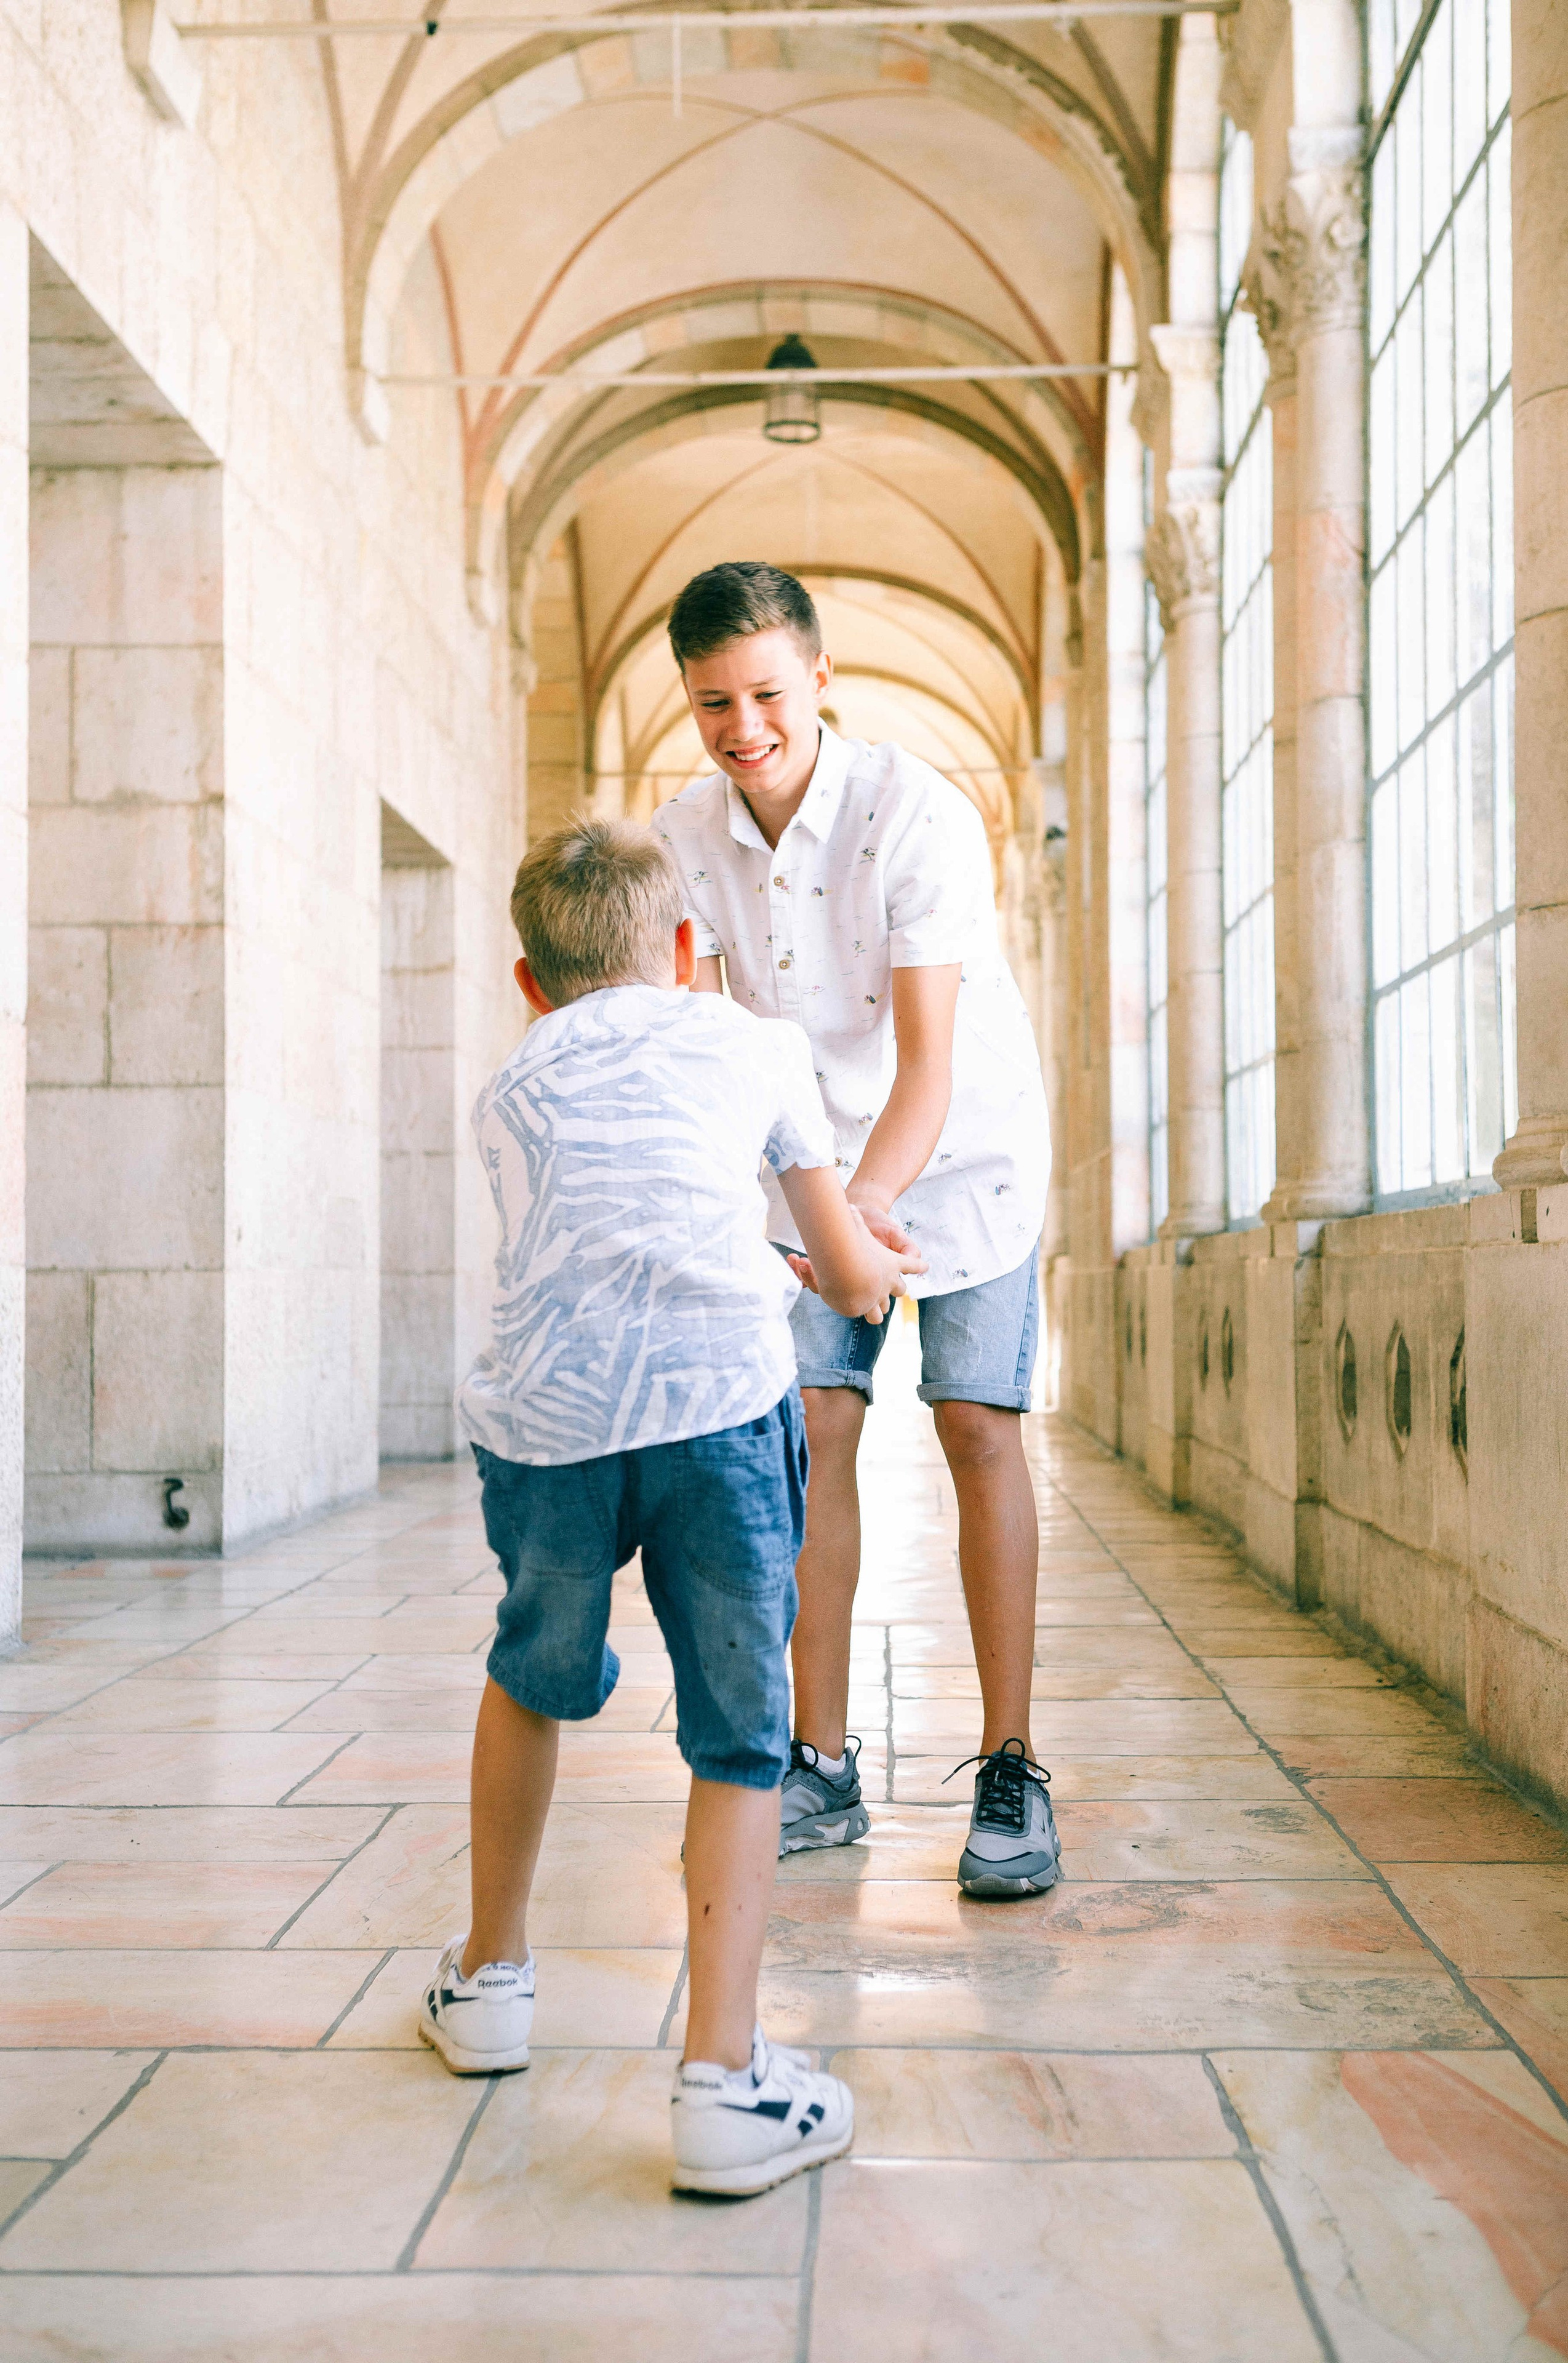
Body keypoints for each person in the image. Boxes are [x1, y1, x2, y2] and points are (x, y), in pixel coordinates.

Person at [417, 816, 920, 2197]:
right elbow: (847, 1273)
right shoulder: (751, 1044)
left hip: (552, 1426)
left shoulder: (508, 1087)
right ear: (689, 951)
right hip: (715, 1412)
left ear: (528, 983)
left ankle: (491, 1985)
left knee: (530, 1675)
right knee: (738, 1732)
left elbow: (604, 1231)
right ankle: (724, 2077)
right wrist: (858, 1262)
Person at [654, 561, 1060, 1900]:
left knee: (973, 1426)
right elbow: (713, 1048)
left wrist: (860, 1221)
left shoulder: (916, 813)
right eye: (713, 701)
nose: (741, 726)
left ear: (818, 681)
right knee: (813, 1431)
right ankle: (813, 1758)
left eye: (764, 692)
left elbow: (928, 1069)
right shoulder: (685, 837)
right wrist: (773, 1222)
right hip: (805, 1168)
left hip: (958, 1158)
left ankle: (1008, 1764)